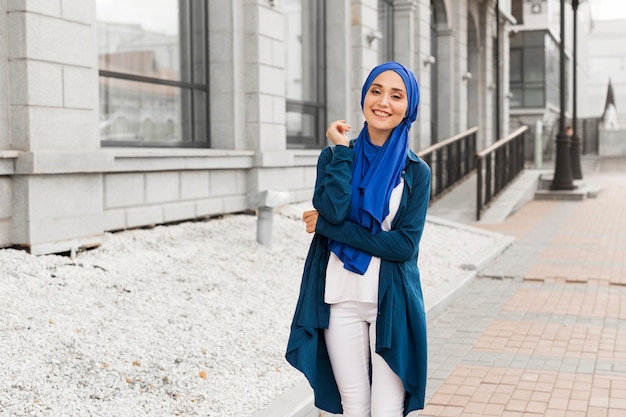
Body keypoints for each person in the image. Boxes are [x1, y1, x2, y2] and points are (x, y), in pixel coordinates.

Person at [285, 61, 432, 417]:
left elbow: (403, 247)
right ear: (364, 96)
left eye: (396, 95)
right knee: (353, 407)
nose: (383, 102)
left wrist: (327, 228)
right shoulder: (337, 156)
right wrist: (338, 149)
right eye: (376, 91)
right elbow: (334, 209)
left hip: (390, 302)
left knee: (386, 411)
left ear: (408, 107)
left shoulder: (416, 171)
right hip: (339, 298)